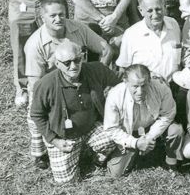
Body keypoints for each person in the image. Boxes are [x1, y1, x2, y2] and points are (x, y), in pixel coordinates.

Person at [22, 1, 112, 169]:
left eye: (61, 14)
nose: (58, 19)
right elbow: (36, 84)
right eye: (52, 15)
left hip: (78, 80)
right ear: (42, 18)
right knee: (35, 112)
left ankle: (93, 140)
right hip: (50, 88)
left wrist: (98, 74)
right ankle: (40, 152)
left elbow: (106, 49)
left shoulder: (79, 28)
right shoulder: (34, 44)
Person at [29, 39, 121, 184]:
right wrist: (54, 140)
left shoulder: (96, 69)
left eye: (77, 60)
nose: (73, 66)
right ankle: (58, 153)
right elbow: (36, 114)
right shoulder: (45, 84)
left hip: (91, 127)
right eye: (67, 63)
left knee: (115, 137)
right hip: (63, 136)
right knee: (66, 182)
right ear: (57, 64)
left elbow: (120, 83)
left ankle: (96, 158)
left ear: (82, 57)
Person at [92, 63, 183, 177]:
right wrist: (135, 143)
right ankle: (129, 153)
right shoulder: (114, 95)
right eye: (135, 86)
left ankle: (171, 162)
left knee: (176, 130)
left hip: (153, 126)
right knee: (116, 174)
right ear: (125, 82)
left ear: (149, 81)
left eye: (144, 86)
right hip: (129, 132)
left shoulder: (161, 88)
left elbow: (168, 114)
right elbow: (112, 128)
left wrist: (150, 137)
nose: (140, 92)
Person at [116, 0, 184, 82]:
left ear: (164, 7)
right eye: (150, 11)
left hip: (174, 85)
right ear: (141, 10)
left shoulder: (173, 24)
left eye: (158, 9)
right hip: (146, 87)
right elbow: (123, 68)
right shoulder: (131, 34)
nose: (155, 15)